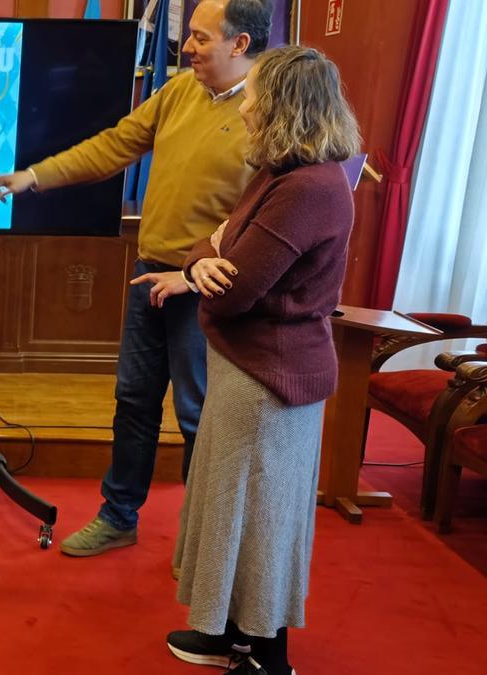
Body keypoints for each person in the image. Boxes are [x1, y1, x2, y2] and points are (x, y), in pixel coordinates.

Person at [0, 0, 274, 558]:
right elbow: (117, 145)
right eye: (187, 34)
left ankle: (202, 546)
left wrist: (202, 278)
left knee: (200, 419)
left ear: (240, 45)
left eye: (199, 37)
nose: (185, 46)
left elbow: (271, 217)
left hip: (209, 293)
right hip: (151, 279)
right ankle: (119, 516)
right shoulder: (177, 93)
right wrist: (34, 177)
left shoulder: (268, 111)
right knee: (133, 402)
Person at [163, 45, 360, 674]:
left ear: (282, 106)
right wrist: (199, 263)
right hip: (248, 372)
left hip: (267, 380)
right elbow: (213, 243)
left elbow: (237, 289)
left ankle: (268, 655)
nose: (243, 106)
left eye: (252, 95)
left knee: (261, 517)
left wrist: (205, 270)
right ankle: (229, 633)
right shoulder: (281, 175)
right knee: (235, 511)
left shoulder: (308, 188)